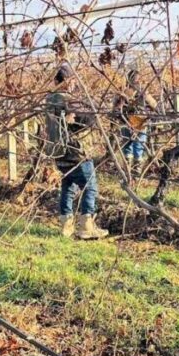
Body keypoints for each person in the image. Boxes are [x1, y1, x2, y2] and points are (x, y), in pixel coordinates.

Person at [44, 62, 108, 240]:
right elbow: (89, 117)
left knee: (68, 185)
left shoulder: (50, 99)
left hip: (59, 152)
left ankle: (66, 226)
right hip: (76, 153)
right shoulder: (70, 99)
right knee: (90, 187)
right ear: (68, 80)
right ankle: (87, 225)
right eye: (72, 80)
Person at [115, 68, 155, 169]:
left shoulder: (122, 90)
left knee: (127, 143)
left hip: (125, 120)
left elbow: (114, 107)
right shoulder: (142, 90)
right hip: (139, 120)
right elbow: (153, 104)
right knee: (139, 144)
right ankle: (137, 167)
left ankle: (128, 166)